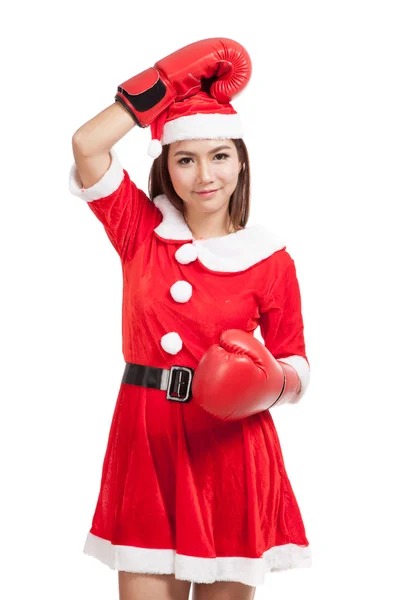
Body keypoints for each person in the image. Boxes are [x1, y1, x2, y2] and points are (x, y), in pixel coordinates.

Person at [69, 38, 311, 600]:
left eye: (220, 155)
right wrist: (163, 84)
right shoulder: (140, 230)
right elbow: (86, 144)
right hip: (147, 441)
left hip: (229, 451)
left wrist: (272, 381)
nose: (205, 174)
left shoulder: (269, 260)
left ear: (241, 161)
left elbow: (296, 360)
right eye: (186, 157)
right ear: (168, 168)